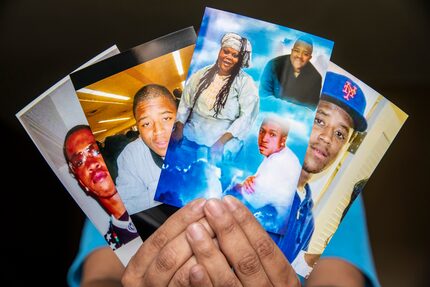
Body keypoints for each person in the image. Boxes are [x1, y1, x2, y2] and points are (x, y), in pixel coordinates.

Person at [274, 71, 369, 273]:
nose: (327, 138)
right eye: (319, 121)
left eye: (340, 134)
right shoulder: (257, 176)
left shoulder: (307, 217)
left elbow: (287, 265)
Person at [171, 32, 259, 163]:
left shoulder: (246, 83)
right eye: (226, 51)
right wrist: (178, 128)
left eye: (235, 55)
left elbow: (246, 118)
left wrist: (221, 143)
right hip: (189, 137)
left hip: (220, 144)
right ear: (220, 52)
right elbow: (185, 102)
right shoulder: (201, 74)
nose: (228, 57)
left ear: (240, 60)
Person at [64, 125, 139, 250]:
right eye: (79, 162)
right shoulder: (109, 246)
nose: (91, 164)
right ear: (82, 184)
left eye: (95, 151)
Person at [115, 84, 177, 215]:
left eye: (166, 118)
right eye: (146, 124)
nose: (158, 132)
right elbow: (129, 208)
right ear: (138, 129)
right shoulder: (130, 156)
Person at [232, 115, 301, 231]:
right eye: (262, 131)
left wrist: (237, 186)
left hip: (271, 226)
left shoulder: (278, 162)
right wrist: (248, 182)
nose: (264, 139)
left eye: (272, 134)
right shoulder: (281, 155)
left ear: (283, 140)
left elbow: (250, 199)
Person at [259, 35, 322, 108]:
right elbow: (263, 97)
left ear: (310, 57)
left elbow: (310, 109)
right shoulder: (273, 65)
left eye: (305, 54)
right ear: (292, 51)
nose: (299, 56)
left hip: (296, 119)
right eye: (297, 51)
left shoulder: (316, 78)